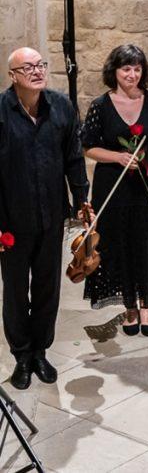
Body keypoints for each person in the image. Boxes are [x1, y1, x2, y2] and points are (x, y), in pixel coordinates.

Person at [0, 48, 92, 389]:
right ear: (13, 76)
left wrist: (81, 199)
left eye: (40, 65)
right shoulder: (1, 111)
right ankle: (21, 355)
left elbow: (74, 158)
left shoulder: (61, 107)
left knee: (47, 288)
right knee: (14, 291)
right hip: (11, 222)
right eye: (28, 67)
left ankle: (40, 351)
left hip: (52, 216)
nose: (37, 71)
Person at [81, 45, 148, 336]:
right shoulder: (100, 105)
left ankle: (146, 305)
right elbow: (88, 147)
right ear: (114, 71)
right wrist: (118, 157)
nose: (132, 75)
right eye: (126, 69)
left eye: (137, 69)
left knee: (147, 240)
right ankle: (129, 307)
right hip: (113, 183)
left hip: (147, 185)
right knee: (120, 241)